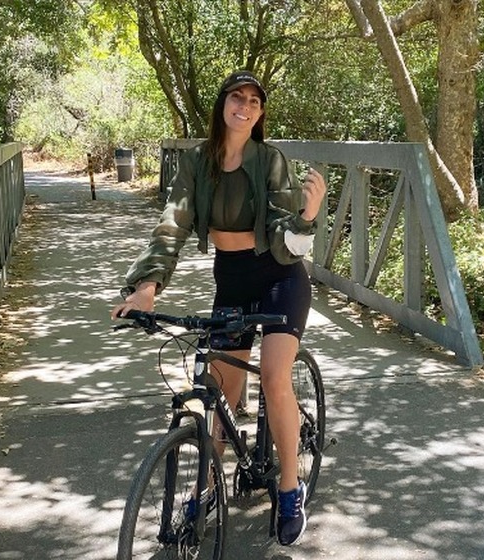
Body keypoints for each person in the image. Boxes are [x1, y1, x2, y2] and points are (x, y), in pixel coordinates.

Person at [111, 69, 327, 546]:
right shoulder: (195, 164)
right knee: (218, 395)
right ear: (222, 105)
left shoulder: (271, 160)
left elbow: (287, 240)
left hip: (279, 279)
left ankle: (290, 489)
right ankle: (206, 487)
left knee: (273, 377)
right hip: (231, 281)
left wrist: (307, 218)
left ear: (260, 112)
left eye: (254, 100)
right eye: (236, 97)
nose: (244, 106)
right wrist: (147, 287)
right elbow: (172, 226)